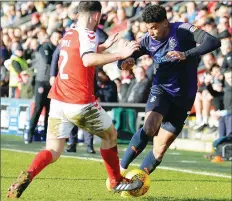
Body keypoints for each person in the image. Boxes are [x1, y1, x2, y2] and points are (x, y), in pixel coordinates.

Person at [7, 1, 142, 199]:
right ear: (96, 16)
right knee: (110, 136)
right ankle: (116, 181)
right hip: (79, 102)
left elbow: (78, 54)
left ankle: (29, 173)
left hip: (58, 101)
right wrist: (120, 53)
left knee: (52, 150)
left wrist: (104, 46)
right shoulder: (89, 33)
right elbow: (87, 59)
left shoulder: (70, 32)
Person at [117, 4, 221, 177]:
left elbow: (213, 41)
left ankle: (139, 179)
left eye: (154, 27)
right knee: (150, 127)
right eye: (148, 28)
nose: (151, 32)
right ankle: (120, 170)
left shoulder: (182, 29)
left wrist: (185, 54)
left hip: (185, 96)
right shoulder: (146, 40)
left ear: (165, 23)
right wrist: (124, 64)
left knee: (161, 147)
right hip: (161, 89)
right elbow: (124, 59)